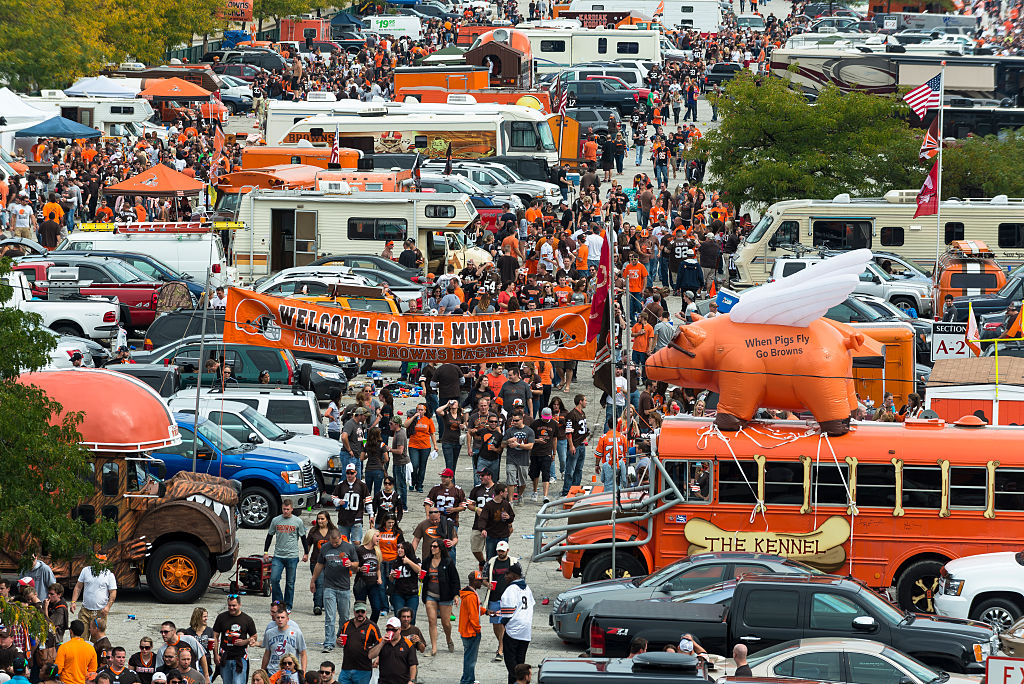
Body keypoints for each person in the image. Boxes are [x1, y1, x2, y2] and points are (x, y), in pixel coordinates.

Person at [310, 528, 360, 654]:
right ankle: (329, 643)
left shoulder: (349, 547)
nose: (334, 545)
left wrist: (351, 564)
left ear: (340, 538)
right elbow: (319, 564)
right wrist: (313, 580)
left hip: (344, 587)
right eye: (332, 542)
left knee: (344, 617)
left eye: (336, 543)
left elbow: (357, 564)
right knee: (329, 616)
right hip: (329, 586)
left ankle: (341, 637)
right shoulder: (325, 547)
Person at [264, 499, 309, 612]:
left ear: (292, 509)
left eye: (288, 509)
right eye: (284, 509)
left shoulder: (297, 521)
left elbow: (303, 538)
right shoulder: (276, 520)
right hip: (278, 556)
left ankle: (288, 605)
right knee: (274, 579)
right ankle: (278, 603)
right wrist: (265, 552)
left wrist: (306, 553)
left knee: (290, 583)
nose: (285, 511)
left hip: (292, 556)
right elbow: (269, 536)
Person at [420, 538, 459, 656]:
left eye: (435, 546)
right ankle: (434, 648)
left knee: (445, 623)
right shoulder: (427, 561)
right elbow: (422, 577)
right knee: (432, 621)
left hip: (445, 596)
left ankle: (448, 638)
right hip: (430, 595)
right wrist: (421, 577)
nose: (432, 548)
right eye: (431, 546)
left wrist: (456, 595)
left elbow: (455, 579)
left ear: (441, 548)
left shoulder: (447, 562)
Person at [498, 563, 534, 684]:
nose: (505, 576)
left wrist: (503, 621)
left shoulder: (511, 589)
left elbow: (507, 613)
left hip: (514, 630)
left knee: (512, 665)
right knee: (521, 662)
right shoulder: (527, 588)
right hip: (526, 631)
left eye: (507, 574)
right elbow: (531, 605)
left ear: (514, 576)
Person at [483, 541, 519, 664]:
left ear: (508, 551)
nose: (500, 553)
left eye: (503, 551)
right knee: (495, 624)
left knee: (504, 624)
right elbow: (484, 577)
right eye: (499, 550)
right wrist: (487, 584)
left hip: (508, 599)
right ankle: (502, 644)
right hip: (494, 597)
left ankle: (501, 649)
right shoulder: (491, 562)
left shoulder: (514, 562)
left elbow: (521, 578)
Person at [212, 594, 258, 684]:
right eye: (229, 605)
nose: (231, 608)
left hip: (240, 658)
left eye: (234, 605)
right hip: (225, 657)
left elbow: (254, 636)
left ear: (240, 605)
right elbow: (215, 636)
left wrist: (244, 642)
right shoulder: (221, 617)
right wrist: (216, 654)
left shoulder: (247, 619)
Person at [336, 602, 380, 684]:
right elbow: (340, 640)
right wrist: (338, 641)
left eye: (362, 612)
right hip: (346, 668)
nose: (360, 614)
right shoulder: (346, 625)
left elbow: (380, 643)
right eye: (357, 611)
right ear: (354, 612)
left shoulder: (372, 626)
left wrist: (378, 658)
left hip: (363, 670)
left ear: (366, 612)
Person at [352, 530, 386, 625]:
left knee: (376, 608)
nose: (379, 538)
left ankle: (370, 626)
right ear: (371, 536)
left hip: (373, 584)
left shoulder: (377, 550)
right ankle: (360, 627)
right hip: (361, 583)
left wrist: (379, 578)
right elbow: (353, 568)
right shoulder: (360, 550)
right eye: (377, 536)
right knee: (360, 610)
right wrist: (359, 569)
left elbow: (378, 568)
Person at [260, 607, 307, 675]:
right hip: (272, 672)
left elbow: (303, 654)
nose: (280, 620)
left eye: (282, 617)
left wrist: (303, 672)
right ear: (275, 619)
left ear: (287, 619)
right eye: (278, 617)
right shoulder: (269, 633)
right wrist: (262, 672)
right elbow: (267, 654)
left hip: (291, 672)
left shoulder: (296, 633)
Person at [333, 464, 372, 545]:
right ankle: (345, 558)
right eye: (348, 473)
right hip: (343, 518)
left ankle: (355, 557)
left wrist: (371, 515)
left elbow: (368, 500)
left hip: (357, 517)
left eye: (352, 472)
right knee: (343, 543)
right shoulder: (341, 484)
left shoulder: (362, 485)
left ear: (356, 473)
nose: (350, 475)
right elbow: (334, 497)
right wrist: (338, 501)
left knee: (356, 542)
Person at [307, 511, 337, 616]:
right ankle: (317, 605)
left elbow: (339, 544)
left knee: (328, 584)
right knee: (319, 583)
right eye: (318, 519)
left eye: (322, 519)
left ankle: (325, 603)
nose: (320, 521)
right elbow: (308, 544)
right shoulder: (313, 531)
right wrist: (306, 554)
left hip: (330, 562)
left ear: (327, 520)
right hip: (316, 561)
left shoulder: (333, 531)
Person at [70, 558, 117, 622]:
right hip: (85, 610)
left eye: (102, 560)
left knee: (98, 632)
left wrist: (108, 607)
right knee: (82, 631)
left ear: (106, 562)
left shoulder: (109, 574)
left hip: (100, 611)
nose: (100, 562)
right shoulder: (85, 570)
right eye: (98, 560)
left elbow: (113, 592)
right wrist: (73, 602)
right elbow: (78, 587)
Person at [467, 468, 497, 568]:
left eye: (482, 475)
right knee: (475, 548)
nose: (480, 478)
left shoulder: (498, 489)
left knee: (492, 551)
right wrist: (476, 509)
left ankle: (489, 570)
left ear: (489, 476)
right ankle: (482, 562)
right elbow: (469, 504)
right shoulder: (476, 489)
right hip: (478, 524)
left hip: (493, 525)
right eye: (479, 475)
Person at [458, 570, 485, 684]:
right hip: (471, 632)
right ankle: (467, 681)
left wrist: (486, 611)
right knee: (470, 659)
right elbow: (473, 616)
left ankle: (469, 679)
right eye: (479, 581)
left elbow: (476, 609)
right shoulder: (471, 596)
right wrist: (478, 630)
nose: (481, 583)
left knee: (469, 657)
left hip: (467, 631)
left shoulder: (470, 594)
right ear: (474, 581)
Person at [502, 411, 534, 502]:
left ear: (522, 419)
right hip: (511, 459)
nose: (514, 422)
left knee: (522, 481)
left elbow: (530, 446)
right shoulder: (509, 431)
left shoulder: (529, 431)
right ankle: (511, 500)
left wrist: (518, 445)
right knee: (510, 480)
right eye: (513, 420)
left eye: (516, 420)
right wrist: (508, 441)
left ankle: (520, 495)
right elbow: (502, 445)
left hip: (524, 459)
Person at [404, 403, 437, 493]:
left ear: (425, 411)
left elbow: (432, 433)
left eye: (422, 410)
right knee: (414, 465)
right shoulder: (412, 417)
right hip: (413, 445)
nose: (420, 411)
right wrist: (414, 417)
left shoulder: (428, 420)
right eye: (418, 409)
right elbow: (405, 425)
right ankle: (412, 482)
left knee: (422, 467)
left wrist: (435, 445)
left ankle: (419, 485)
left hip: (425, 446)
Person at [373, 617, 417, 684]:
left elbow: (413, 664)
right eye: (388, 629)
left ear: (399, 630)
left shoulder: (408, 644)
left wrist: (412, 680)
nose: (391, 632)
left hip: (402, 681)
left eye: (394, 630)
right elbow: (370, 655)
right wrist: (382, 643)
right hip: (384, 681)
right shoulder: (381, 642)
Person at [480, 484, 515, 561]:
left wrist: (509, 517)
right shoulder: (489, 505)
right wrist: (483, 529)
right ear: (501, 493)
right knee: (490, 559)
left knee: (503, 558)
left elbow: (512, 516)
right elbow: (483, 518)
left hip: (503, 536)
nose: (507, 493)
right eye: (506, 492)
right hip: (491, 536)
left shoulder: (506, 504)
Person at [528, 408, 557, 503]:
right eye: (544, 417)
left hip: (547, 452)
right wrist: (537, 441)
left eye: (547, 418)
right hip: (535, 452)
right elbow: (530, 437)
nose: (545, 419)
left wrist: (554, 453)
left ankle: (545, 495)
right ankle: (535, 491)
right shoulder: (535, 424)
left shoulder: (554, 424)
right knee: (535, 474)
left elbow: (554, 439)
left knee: (546, 474)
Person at [389, 542, 422, 623]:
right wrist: (392, 575)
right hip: (398, 593)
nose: (399, 550)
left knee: (411, 618)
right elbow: (391, 580)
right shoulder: (396, 561)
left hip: (412, 594)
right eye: (399, 548)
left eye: (402, 548)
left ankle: (410, 635)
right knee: (399, 617)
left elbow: (419, 571)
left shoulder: (416, 559)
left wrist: (408, 562)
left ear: (407, 550)